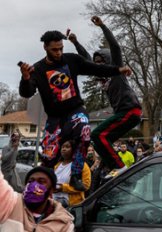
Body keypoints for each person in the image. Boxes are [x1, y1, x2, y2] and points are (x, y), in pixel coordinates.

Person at [19, 30, 131, 191]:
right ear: (45, 48)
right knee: (49, 156)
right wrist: (25, 78)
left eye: (60, 49)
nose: (58, 53)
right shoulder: (38, 69)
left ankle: (76, 175)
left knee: (85, 130)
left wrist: (118, 70)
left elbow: (96, 69)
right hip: (55, 117)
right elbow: (27, 93)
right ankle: (43, 186)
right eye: (54, 50)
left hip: (75, 110)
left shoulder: (71, 60)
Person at [68, 16, 142, 176]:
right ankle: (115, 168)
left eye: (101, 62)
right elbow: (85, 60)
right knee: (102, 140)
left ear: (107, 61)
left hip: (130, 110)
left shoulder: (116, 68)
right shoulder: (101, 75)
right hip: (123, 114)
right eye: (97, 64)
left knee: (96, 134)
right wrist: (75, 43)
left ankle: (120, 166)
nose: (99, 66)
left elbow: (115, 47)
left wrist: (102, 26)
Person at [0, 166, 74, 230]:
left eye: (41, 182)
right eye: (30, 181)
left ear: (52, 190)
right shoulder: (11, 203)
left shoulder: (63, 222)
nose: (34, 185)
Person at [53, 140, 90, 208]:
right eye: (62, 147)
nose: (64, 149)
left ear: (73, 150)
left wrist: (63, 188)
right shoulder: (57, 166)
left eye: (67, 147)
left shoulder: (81, 166)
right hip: (54, 201)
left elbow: (85, 186)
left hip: (71, 205)